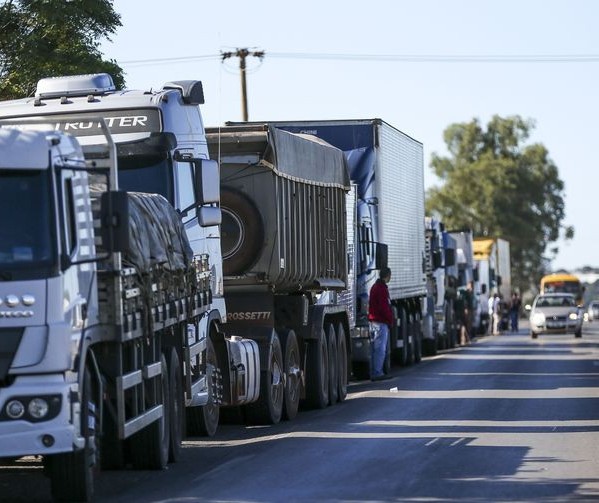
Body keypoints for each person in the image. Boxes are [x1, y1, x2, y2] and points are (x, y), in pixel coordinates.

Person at [368, 267, 393, 381]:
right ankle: (377, 372)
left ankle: (374, 371)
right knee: (380, 349)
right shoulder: (382, 288)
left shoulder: (374, 287)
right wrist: (390, 319)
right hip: (380, 322)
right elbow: (384, 307)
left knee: (374, 349)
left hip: (373, 322)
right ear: (387, 276)